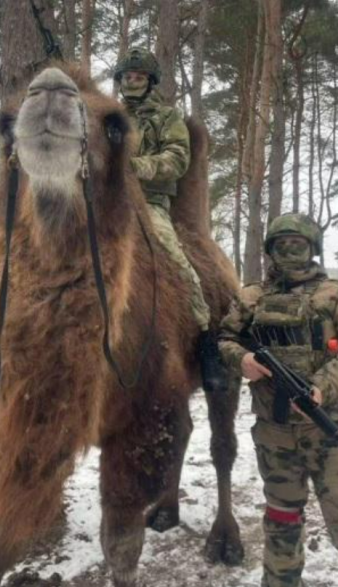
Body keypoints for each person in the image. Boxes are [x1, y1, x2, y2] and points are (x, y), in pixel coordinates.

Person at [218, 213, 338, 587]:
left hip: (328, 429)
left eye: (296, 243)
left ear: (312, 247)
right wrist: (242, 360)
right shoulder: (251, 297)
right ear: (269, 250)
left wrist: (322, 387)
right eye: (280, 244)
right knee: (281, 518)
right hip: (274, 432)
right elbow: (224, 338)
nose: (288, 251)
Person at [114, 46, 226, 392]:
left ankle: (207, 341)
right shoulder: (108, 116)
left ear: (150, 82)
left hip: (149, 204)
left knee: (179, 263)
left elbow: (177, 159)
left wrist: (137, 167)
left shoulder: (166, 118)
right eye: (128, 76)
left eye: (139, 77)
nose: (132, 82)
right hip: (108, 203)